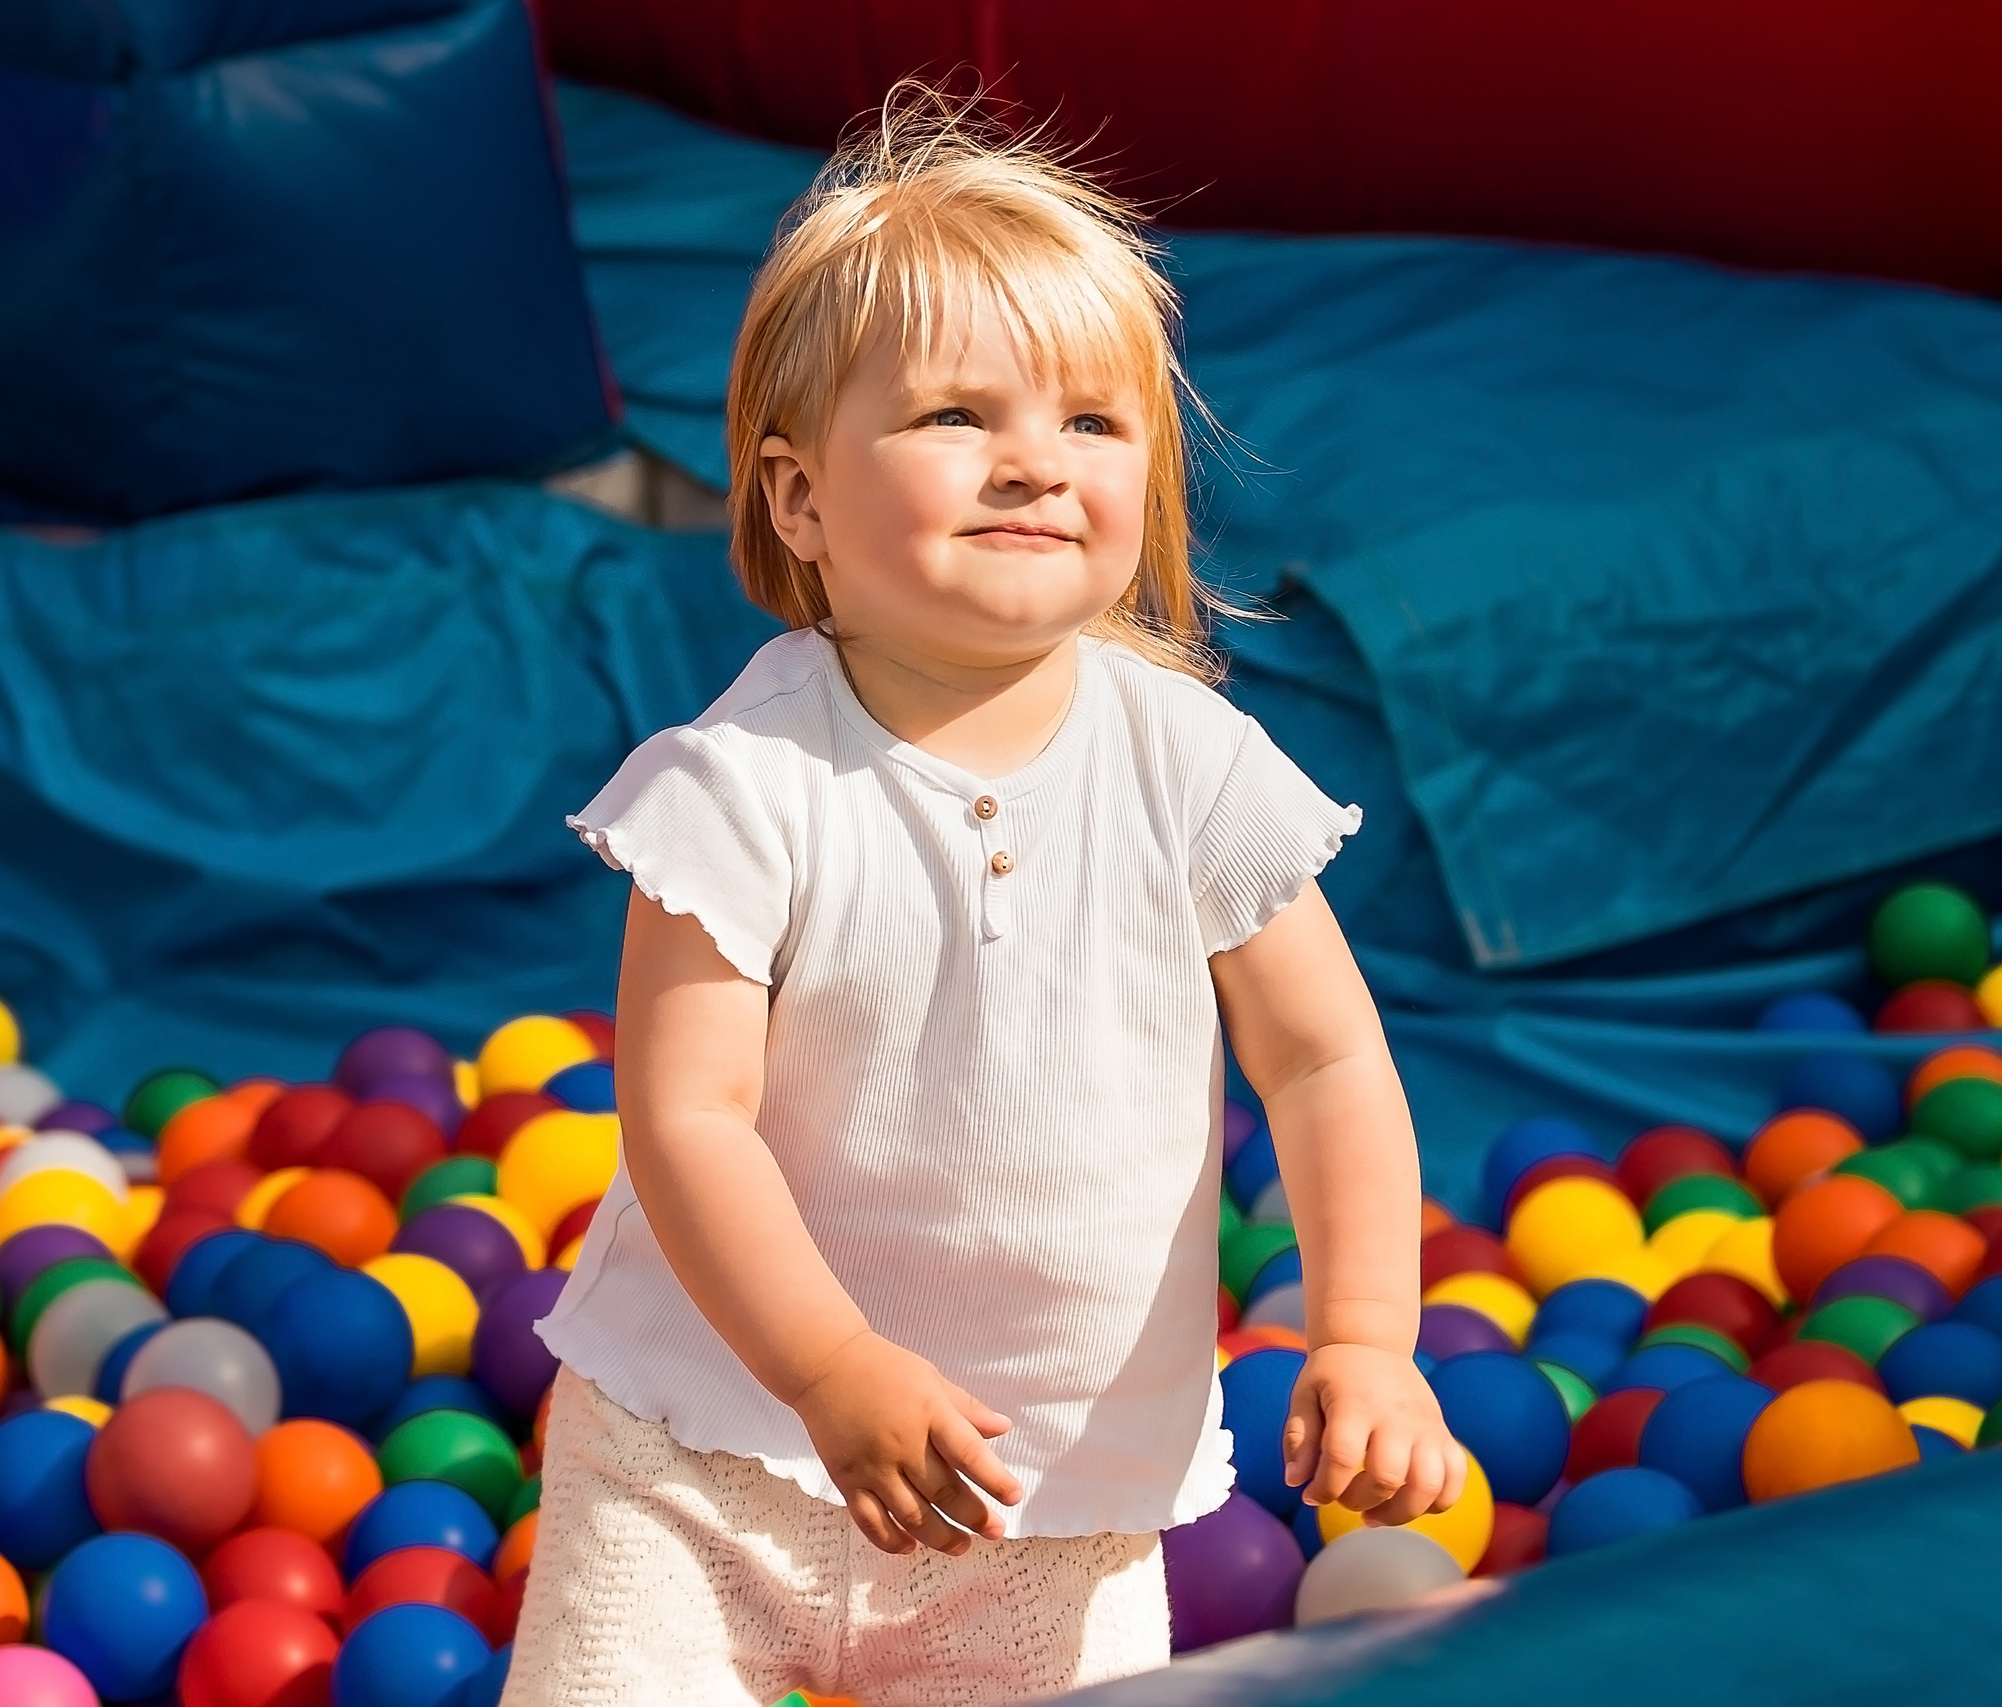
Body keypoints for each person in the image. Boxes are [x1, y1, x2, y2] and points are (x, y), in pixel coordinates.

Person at [506, 88, 1461, 1707]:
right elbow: (687, 1121)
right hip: (709, 1455)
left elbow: (1322, 1059)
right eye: (957, 414)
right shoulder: (743, 781)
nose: (1032, 459)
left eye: (1092, 423)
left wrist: (1368, 1332)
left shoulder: (1193, 766)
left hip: (1051, 1494)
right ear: (800, 502)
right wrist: (831, 1367)